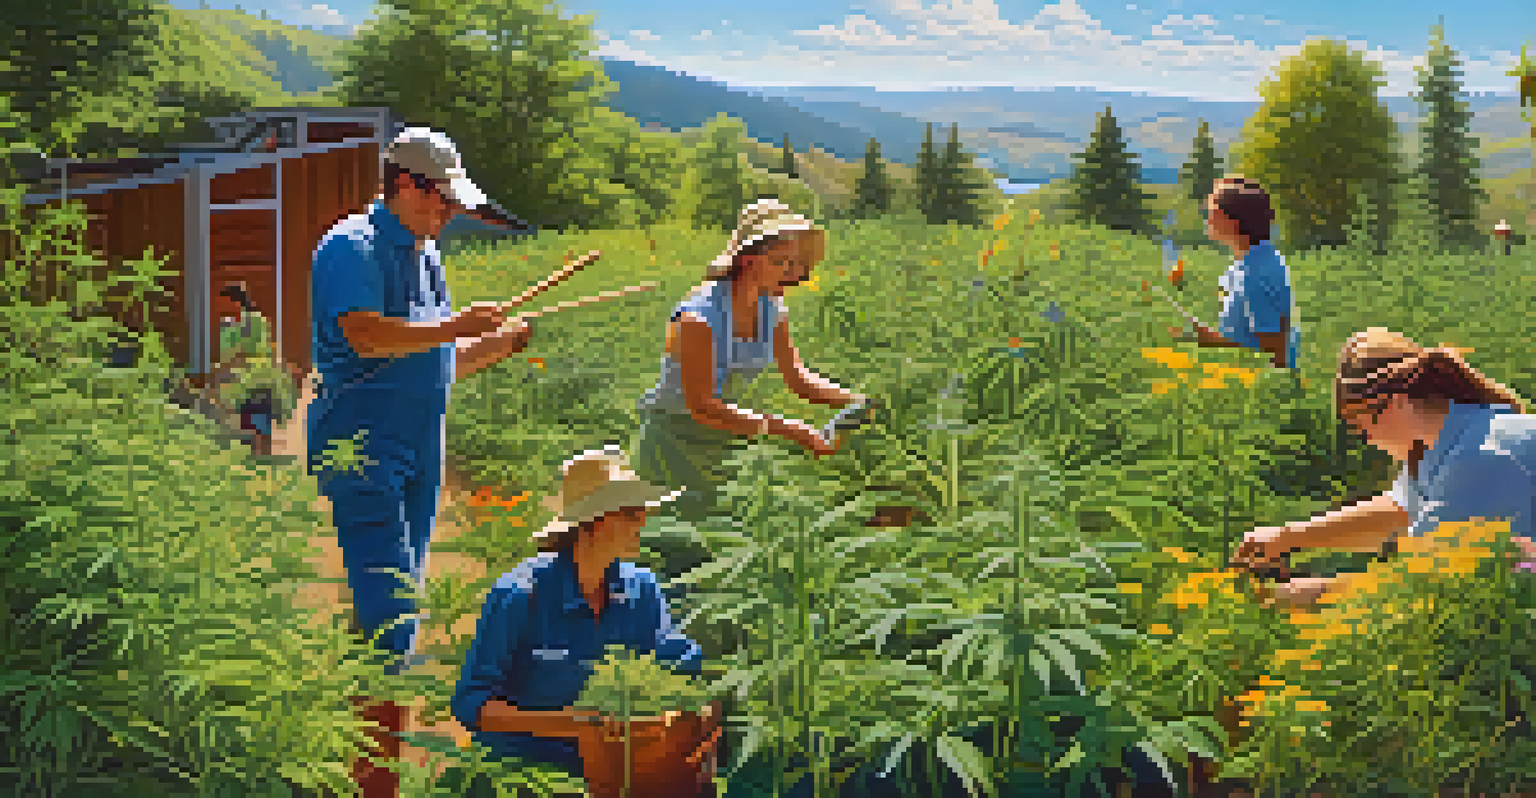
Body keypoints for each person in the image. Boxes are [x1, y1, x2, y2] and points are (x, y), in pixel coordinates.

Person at [307, 127, 533, 798]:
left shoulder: (427, 255)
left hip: (419, 452)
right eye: (444, 202)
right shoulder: (351, 246)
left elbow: (435, 364)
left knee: (390, 607)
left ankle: (350, 756)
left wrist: (496, 346)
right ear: (405, 183)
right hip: (364, 448)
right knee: (392, 618)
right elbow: (365, 334)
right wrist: (456, 327)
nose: (450, 215)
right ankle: (376, 782)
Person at [1232, 327, 1536, 608]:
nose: (1368, 441)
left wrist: (1313, 594)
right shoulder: (1449, 435)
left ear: (1393, 402)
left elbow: (1421, 584)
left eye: (1362, 428)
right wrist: (1287, 537)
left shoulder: (1481, 458)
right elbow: (1399, 510)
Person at [451, 446, 703, 782]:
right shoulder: (520, 595)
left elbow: (669, 661)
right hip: (521, 775)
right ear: (591, 523)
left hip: (609, 773)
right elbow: (471, 703)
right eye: (629, 513)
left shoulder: (643, 590)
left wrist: (667, 698)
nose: (642, 521)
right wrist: (574, 725)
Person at [632, 199, 865, 522]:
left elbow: (798, 378)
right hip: (674, 444)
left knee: (726, 542)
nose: (792, 273)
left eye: (794, 263)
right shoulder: (698, 317)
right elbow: (701, 405)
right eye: (781, 262)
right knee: (676, 545)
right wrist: (791, 429)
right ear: (748, 261)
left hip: (728, 438)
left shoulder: (772, 310)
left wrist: (860, 403)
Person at [1171, 177, 1300, 370]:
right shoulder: (1252, 261)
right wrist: (1211, 336)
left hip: (1261, 384)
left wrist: (1212, 341)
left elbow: (1273, 350)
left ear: (1232, 222)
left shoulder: (1254, 274)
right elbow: (1250, 334)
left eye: (1212, 212)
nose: (1206, 219)